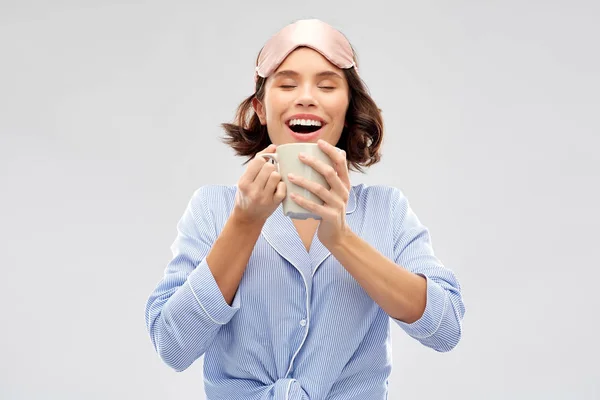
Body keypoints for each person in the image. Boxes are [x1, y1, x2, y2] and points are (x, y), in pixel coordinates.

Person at [144, 19, 465, 400]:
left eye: (327, 85)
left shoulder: (386, 210)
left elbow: (445, 328)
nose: (306, 97)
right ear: (261, 109)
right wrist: (245, 223)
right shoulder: (213, 209)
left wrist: (342, 240)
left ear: (347, 108)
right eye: (287, 83)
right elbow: (172, 345)